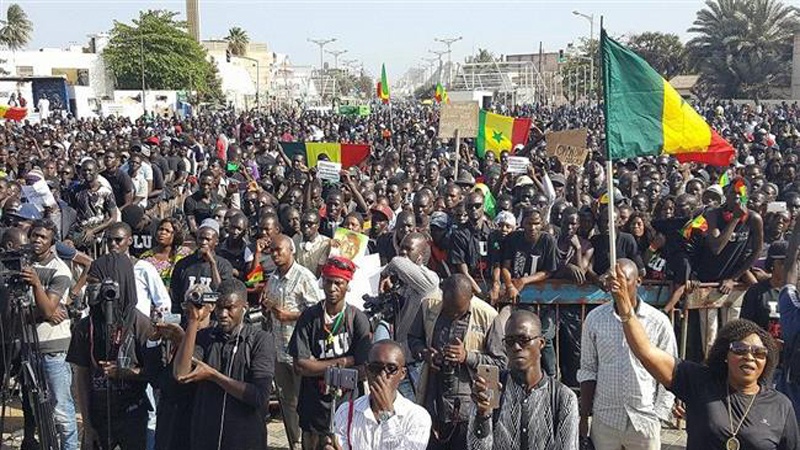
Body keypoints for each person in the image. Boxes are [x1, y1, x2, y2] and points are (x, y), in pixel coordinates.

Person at [610, 261, 800, 449]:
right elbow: (646, 352)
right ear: (725, 354)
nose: (749, 357)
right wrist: (625, 306)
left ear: (767, 360)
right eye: (740, 349)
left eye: (759, 353)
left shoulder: (781, 406)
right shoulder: (700, 382)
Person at [578, 259, 677, 450]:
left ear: (638, 281)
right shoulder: (595, 319)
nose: (616, 285)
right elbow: (588, 370)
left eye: (623, 280)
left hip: (644, 420)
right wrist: (584, 418)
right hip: (606, 420)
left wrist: (659, 415)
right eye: (611, 280)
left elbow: (669, 373)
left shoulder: (658, 322)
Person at [172, 278, 275, 450]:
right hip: (206, 439)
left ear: (244, 307)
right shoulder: (206, 337)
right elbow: (181, 374)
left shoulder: (260, 340)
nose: (223, 314)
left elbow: (259, 396)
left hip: (244, 440)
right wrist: (193, 321)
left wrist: (213, 376)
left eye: (229, 308)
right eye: (219, 307)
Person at [408, 274, 506, 450]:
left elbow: (501, 363)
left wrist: (467, 356)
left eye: (458, 311)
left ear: (471, 298)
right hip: (434, 402)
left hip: (473, 408)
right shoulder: (428, 305)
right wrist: (425, 354)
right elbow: (414, 338)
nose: (453, 315)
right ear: (442, 294)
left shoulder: (489, 315)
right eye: (448, 310)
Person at [67, 253, 153, 450]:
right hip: (98, 416)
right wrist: (87, 426)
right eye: (89, 283)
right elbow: (82, 376)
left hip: (132, 415)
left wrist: (126, 373)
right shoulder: (85, 327)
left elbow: (155, 374)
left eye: (95, 283)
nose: (91, 288)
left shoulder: (141, 324)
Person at [288, 257, 372, 450]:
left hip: (348, 403)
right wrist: (345, 361)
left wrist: (317, 366)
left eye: (338, 283)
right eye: (328, 282)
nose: (332, 288)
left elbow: (364, 370)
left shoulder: (357, 319)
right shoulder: (310, 317)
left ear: (347, 285)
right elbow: (300, 365)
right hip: (314, 403)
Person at [10, 220, 79, 450]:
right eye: (35, 235)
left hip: (53, 350)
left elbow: (49, 309)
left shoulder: (60, 270)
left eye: (43, 237)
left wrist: (37, 285)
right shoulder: (22, 264)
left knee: (61, 409)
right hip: (28, 346)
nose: (37, 240)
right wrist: (40, 312)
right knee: (37, 407)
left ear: (52, 242)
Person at [468, 310, 579, 450]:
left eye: (524, 340)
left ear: (541, 343)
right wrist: (483, 415)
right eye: (510, 341)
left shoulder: (563, 398)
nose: (516, 347)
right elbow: (475, 448)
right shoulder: (492, 388)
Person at [261, 234, 321, 449]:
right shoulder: (273, 278)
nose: (275, 254)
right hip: (279, 349)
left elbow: (318, 311)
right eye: (272, 251)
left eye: (279, 250)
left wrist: (291, 315)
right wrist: (267, 309)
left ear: (291, 250)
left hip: (300, 351)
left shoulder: (304, 276)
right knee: (286, 401)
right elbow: (271, 309)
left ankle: (308, 442)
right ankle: (294, 442)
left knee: (303, 401)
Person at [324, 340, 432, 450]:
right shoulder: (346, 411)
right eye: (375, 368)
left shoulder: (417, 417)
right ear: (367, 370)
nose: (382, 375)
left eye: (391, 369)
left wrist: (386, 414)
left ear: (402, 374)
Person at [380, 232, 440, 398]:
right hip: (401, 361)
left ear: (420, 257)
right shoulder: (401, 282)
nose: (403, 252)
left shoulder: (429, 280)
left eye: (408, 249)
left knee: (418, 409)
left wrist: (385, 271)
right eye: (402, 248)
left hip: (418, 362)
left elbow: (397, 262)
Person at [170, 222, 234, 314]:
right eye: (201, 238)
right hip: (187, 316)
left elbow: (223, 294)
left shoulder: (224, 265)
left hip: (213, 318)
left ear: (216, 241)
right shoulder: (183, 264)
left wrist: (212, 264)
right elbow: (175, 295)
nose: (204, 242)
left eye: (208, 239)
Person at [449, 191, 493, 295]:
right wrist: (479, 292)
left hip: (491, 284)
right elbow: (463, 271)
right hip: (469, 285)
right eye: (469, 206)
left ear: (483, 207)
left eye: (477, 206)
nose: (474, 209)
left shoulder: (493, 233)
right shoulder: (459, 234)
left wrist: (495, 286)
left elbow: (497, 264)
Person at [140, 217, 193, 287]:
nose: (163, 232)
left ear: (175, 235)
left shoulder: (184, 254)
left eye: (167, 231)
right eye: (161, 229)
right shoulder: (146, 257)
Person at [294, 210, 331, 278]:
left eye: (310, 224)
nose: (306, 226)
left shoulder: (326, 243)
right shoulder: (296, 238)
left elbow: (321, 270)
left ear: (318, 225)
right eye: (303, 223)